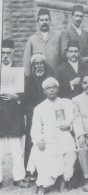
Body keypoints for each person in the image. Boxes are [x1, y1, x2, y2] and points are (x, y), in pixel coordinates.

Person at [28, 77, 77, 194]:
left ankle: (64, 181)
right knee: (40, 153)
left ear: (58, 89)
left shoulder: (67, 103)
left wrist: (69, 128)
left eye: (53, 87)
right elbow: (35, 127)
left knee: (70, 152)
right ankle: (42, 184)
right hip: (47, 138)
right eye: (48, 88)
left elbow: (75, 121)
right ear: (44, 91)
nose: (51, 90)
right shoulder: (39, 108)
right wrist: (39, 140)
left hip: (64, 135)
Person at [0, 40, 30, 188]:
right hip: (0, 114)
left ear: (13, 53)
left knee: (17, 149)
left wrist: (16, 97)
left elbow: (26, 95)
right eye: (2, 53)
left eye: (8, 53)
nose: (5, 56)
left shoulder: (19, 72)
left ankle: (19, 177)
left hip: (14, 114)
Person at [24, 53, 53, 173]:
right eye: (36, 64)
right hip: (33, 114)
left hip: (48, 114)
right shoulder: (28, 80)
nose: (39, 66)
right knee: (32, 140)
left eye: (41, 63)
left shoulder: (49, 79)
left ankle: (49, 168)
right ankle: (31, 170)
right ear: (33, 66)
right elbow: (26, 99)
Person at [23, 8, 61, 76]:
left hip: (55, 76)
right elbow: (27, 62)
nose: (44, 22)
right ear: (38, 22)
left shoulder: (58, 37)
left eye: (46, 20)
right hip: (38, 77)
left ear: (50, 21)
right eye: (41, 20)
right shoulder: (32, 39)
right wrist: (28, 77)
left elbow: (62, 58)